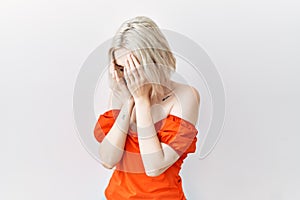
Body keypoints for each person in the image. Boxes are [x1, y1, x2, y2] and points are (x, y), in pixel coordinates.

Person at [94, 16, 200, 200]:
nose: (127, 76)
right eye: (121, 68)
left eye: (134, 68)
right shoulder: (121, 92)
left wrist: (142, 100)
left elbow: (154, 166)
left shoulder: (185, 96)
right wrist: (129, 101)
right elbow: (108, 160)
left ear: (155, 60)